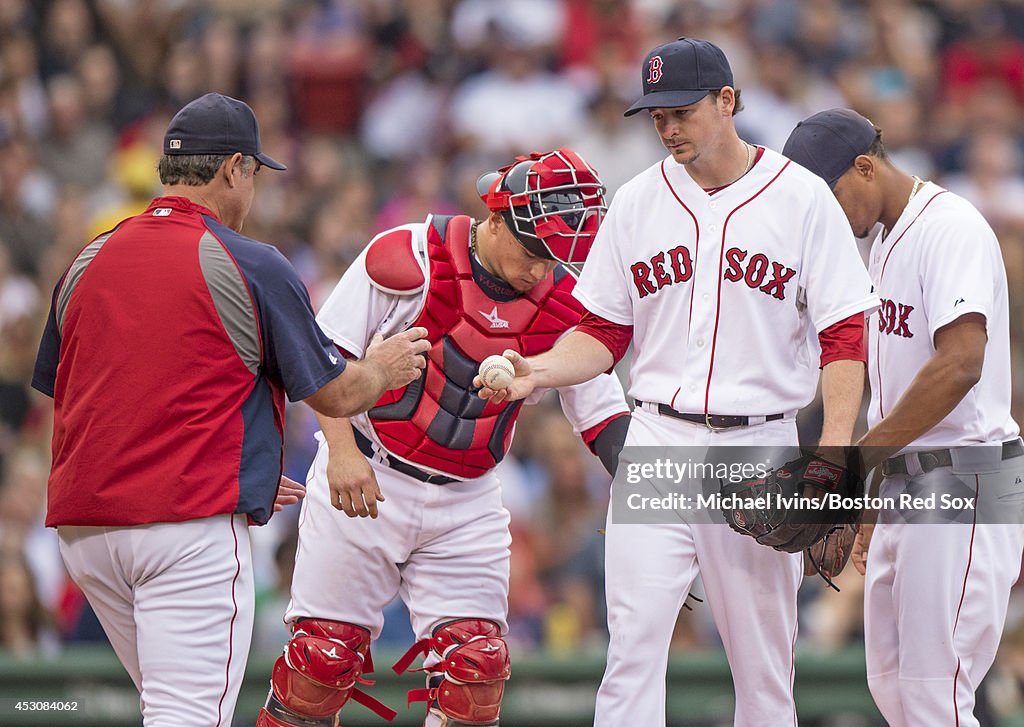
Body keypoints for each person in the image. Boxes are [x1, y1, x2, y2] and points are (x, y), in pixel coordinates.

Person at [476, 38, 878, 726]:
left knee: (763, 672)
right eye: (657, 115)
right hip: (657, 437)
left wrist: (833, 455)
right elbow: (602, 334)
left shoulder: (803, 199)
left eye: (681, 111)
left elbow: (846, 337)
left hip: (761, 445)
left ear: (727, 102)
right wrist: (533, 371)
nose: (667, 127)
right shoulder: (637, 201)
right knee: (629, 655)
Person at [30, 92, 430, 727]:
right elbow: (334, 394)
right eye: (254, 174)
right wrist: (384, 368)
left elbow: (85, 389)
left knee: (167, 708)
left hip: (86, 536)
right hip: (184, 532)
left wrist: (236, 472)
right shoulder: (248, 261)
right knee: (189, 716)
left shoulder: (88, 259)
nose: (254, 189)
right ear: (234, 169)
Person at [255, 148, 631, 727]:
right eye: (536, 251)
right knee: (321, 663)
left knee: (476, 670)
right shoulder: (408, 258)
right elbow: (322, 361)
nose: (542, 269)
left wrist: (662, 488)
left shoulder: (565, 299)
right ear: (499, 217)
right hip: (369, 471)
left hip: (469, 494)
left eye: (557, 256)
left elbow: (603, 416)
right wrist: (340, 451)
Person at [783, 108, 1024, 727]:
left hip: (965, 478)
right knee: (892, 687)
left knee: (932, 696)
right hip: (910, 482)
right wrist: (876, 485)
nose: (826, 216)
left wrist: (859, 458)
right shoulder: (879, 241)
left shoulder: (950, 227)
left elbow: (961, 364)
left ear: (865, 166)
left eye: (829, 195)